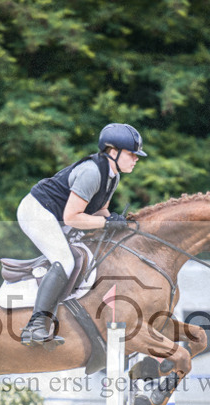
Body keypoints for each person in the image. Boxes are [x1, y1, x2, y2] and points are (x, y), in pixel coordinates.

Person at [17, 123, 147, 346]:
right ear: (112, 152)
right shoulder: (91, 172)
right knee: (65, 260)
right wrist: (106, 223)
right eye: (131, 154)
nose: (136, 159)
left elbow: (99, 210)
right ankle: (36, 325)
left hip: (59, 216)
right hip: (37, 211)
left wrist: (115, 221)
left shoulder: (112, 175)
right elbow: (72, 217)